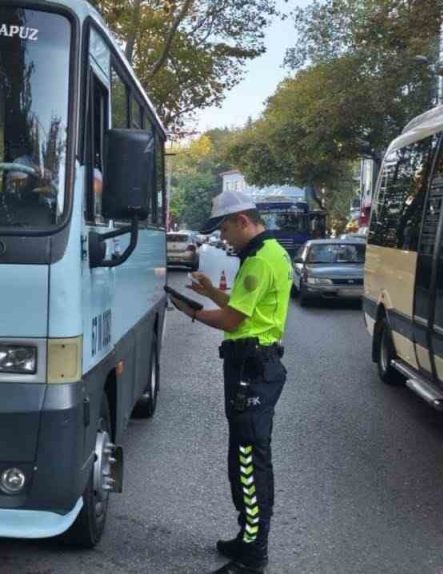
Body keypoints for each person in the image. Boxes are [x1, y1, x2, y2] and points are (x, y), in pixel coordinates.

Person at [167, 188, 293, 574]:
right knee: (246, 458)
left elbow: (232, 322)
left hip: (251, 369)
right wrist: (210, 293)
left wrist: (189, 310)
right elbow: (242, 309)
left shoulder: (258, 261)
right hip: (256, 365)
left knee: (249, 461)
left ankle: (253, 554)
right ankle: (247, 536)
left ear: (243, 221)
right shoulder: (268, 253)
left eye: (225, 228)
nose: (223, 237)